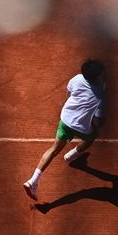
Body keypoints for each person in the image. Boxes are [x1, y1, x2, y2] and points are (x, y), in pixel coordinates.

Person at [23, 59, 107, 201]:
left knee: (54, 149)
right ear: (98, 76)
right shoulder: (101, 96)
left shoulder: (77, 79)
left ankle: (33, 181)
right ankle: (72, 155)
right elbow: (100, 123)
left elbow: (68, 95)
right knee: (93, 134)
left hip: (65, 120)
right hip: (81, 127)